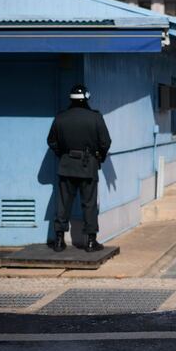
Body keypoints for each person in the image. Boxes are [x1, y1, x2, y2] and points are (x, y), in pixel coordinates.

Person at [47, 84, 112, 253]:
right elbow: (105, 142)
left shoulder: (61, 117)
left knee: (63, 204)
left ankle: (59, 241)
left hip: (66, 165)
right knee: (89, 204)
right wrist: (99, 157)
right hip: (87, 165)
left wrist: (63, 154)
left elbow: (51, 141)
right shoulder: (95, 117)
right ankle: (91, 242)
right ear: (87, 98)